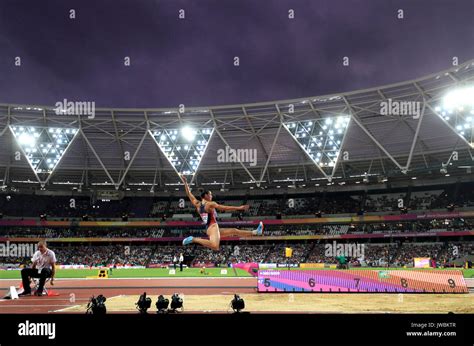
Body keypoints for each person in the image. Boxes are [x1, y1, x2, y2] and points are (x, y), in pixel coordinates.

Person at [180, 174, 264, 250]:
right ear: (206, 195)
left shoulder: (197, 204)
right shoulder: (210, 204)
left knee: (234, 231)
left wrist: (185, 183)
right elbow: (224, 208)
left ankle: (256, 232)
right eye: (210, 194)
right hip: (213, 226)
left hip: (209, 228)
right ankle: (193, 239)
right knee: (215, 246)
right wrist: (239, 207)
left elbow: (189, 194)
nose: (212, 196)